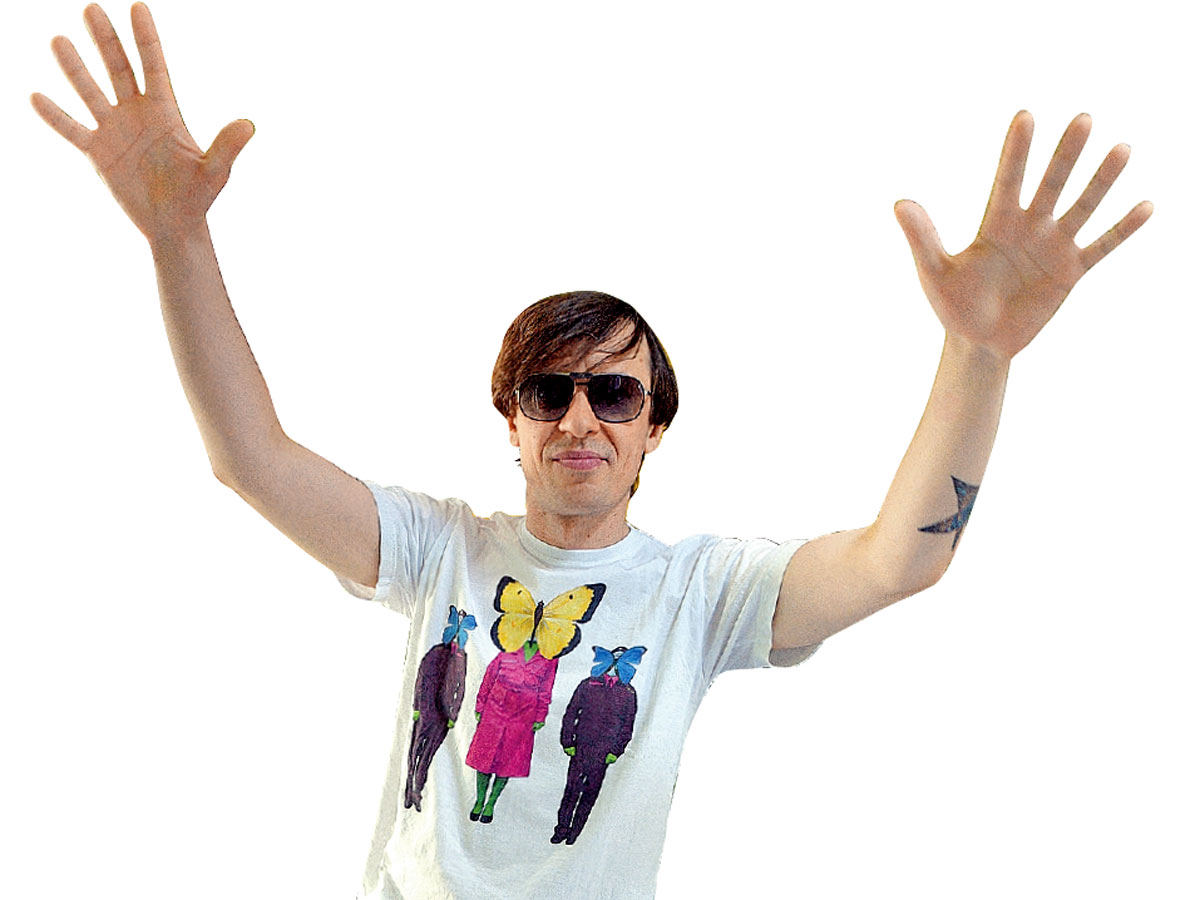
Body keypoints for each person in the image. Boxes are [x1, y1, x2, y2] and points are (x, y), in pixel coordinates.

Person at [30, 4, 1153, 899]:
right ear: (512, 420)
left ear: (654, 426)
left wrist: (978, 353)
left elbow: (901, 558)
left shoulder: (702, 593)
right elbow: (249, 457)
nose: (579, 421)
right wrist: (177, 237)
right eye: (548, 392)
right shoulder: (435, 550)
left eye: (614, 394)